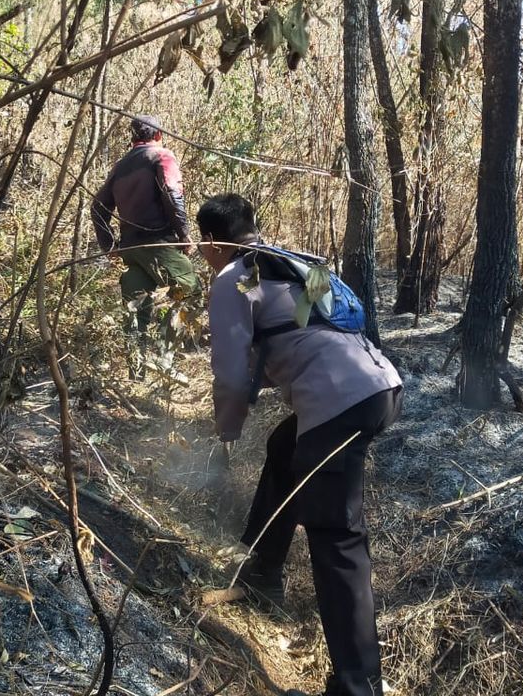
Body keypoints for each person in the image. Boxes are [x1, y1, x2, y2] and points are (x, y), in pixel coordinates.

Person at [196, 193, 403, 696]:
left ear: (210, 242)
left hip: (339, 403)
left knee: (336, 539)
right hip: (381, 387)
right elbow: (313, 332)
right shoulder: (296, 261)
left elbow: (230, 374)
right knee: (286, 448)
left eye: (203, 246)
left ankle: (357, 686)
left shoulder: (234, 278)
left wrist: (227, 427)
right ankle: (262, 573)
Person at [91, 115, 200, 336]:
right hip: (158, 245)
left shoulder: (120, 167)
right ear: (158, 134)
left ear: (132, 138)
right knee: (191, 292)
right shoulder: (161, 156)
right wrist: (184, 234)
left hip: (131, 250)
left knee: (135, 315)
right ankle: (171, 349)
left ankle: (136, 357)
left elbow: (97, 208)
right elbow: (171, 193)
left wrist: (110, 246)